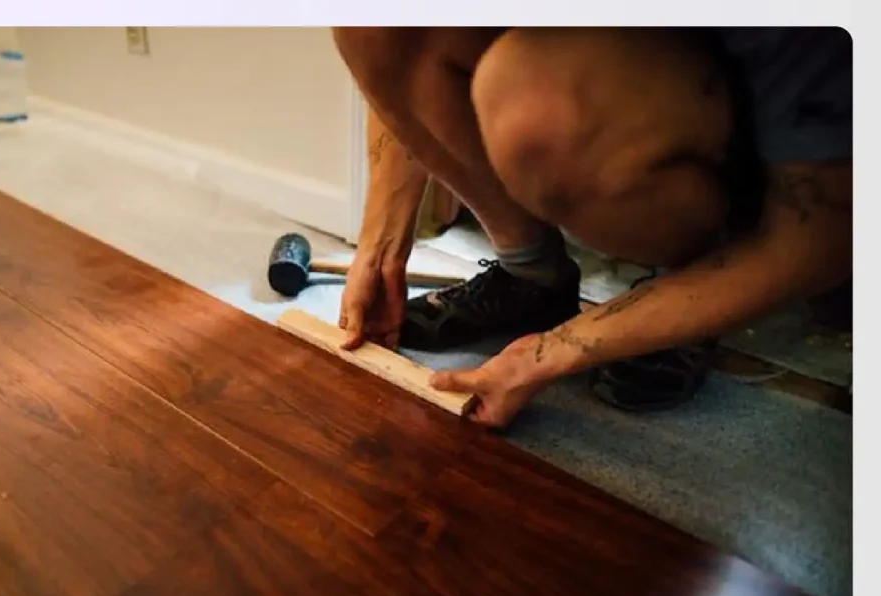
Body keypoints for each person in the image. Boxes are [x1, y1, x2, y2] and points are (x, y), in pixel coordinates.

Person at [331, 27, 852, 428]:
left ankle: (688, 281)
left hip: (773, 149)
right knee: (375, 24)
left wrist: (553, 351)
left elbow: (822, 237)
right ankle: (531, 280)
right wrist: (379, 249)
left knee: (536, 111)